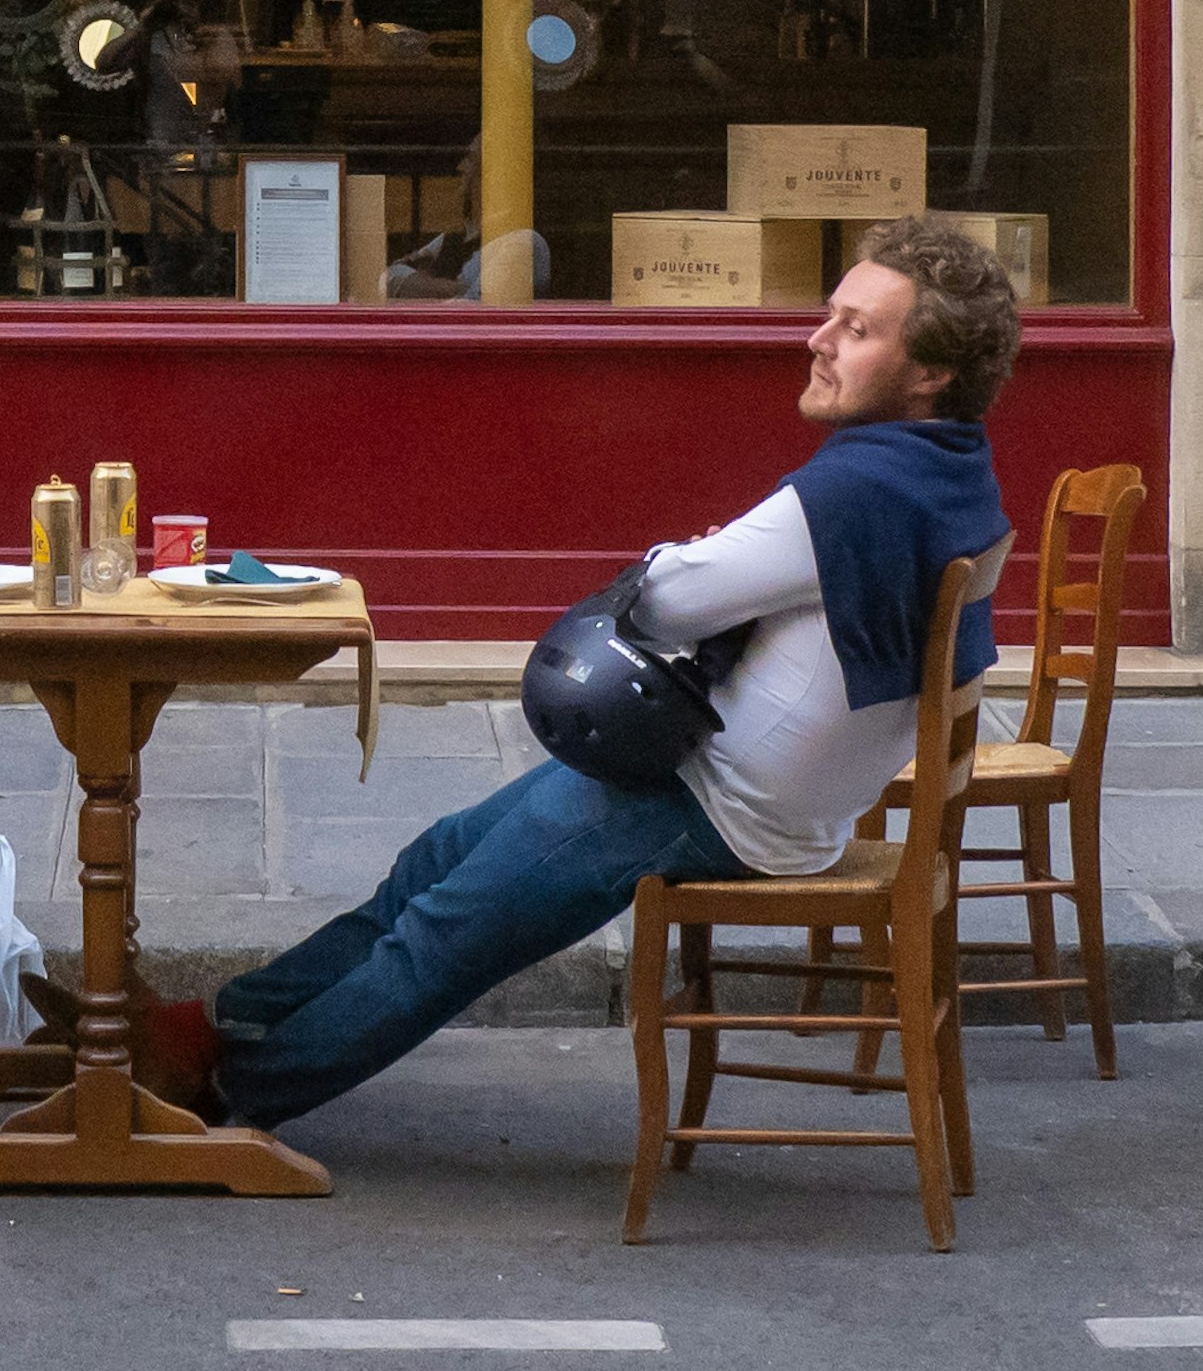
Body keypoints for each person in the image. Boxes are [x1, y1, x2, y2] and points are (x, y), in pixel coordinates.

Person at [164, 214, 1021, 1132]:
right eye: (830, 316)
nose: (817, 341)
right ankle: (237, 1020)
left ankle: (228, 1096)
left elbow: (670, 600)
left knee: (450, 930)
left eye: (857, 329)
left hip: (718, 800)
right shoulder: (950, 470)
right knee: (440, 856)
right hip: (753, 788)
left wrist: (678, 560)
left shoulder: (859, 489)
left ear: (930, 372)